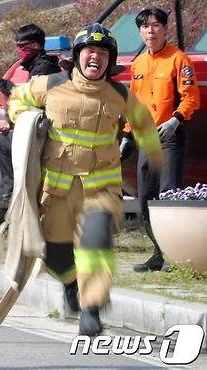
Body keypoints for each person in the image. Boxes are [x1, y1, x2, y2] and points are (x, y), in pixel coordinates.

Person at [7, 23, 162, 336]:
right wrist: (25, 121)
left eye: (103, 53)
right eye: (90, 51)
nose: (96, 57)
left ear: (110, 59)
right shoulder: (49, 84)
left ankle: (91, 310)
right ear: (77, 56)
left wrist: (150, 156)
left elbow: (145, 124)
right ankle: (70, 283)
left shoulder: (119, 94)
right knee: (55, 255)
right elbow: (17, 100)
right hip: (56, 191)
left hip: (100, 191)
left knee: (95, 246)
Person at [120, 8, 200, 272]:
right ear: (140, 32)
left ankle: (175, 257)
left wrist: (176, 119)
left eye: (155, 25)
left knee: (168, 197)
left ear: (165, 29)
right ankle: (158, 254)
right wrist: (127, 134)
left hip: (170, 137)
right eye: (144, 27)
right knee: (146, 199)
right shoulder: (139, 63)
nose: (150, 31)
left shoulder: (179, 60)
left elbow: (191, 97)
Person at [0, 24, 61, 209]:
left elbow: (28, 95)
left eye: (23, 46)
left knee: (2, 143)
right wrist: (9, 124)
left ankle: (10, 193)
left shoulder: (44, 67)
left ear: (36, 45)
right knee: (2, 140)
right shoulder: (33, 66)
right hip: (33, 124)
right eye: (18, 46)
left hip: (47, 129)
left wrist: (1, 82)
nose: (20, 50)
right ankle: (12, 192)